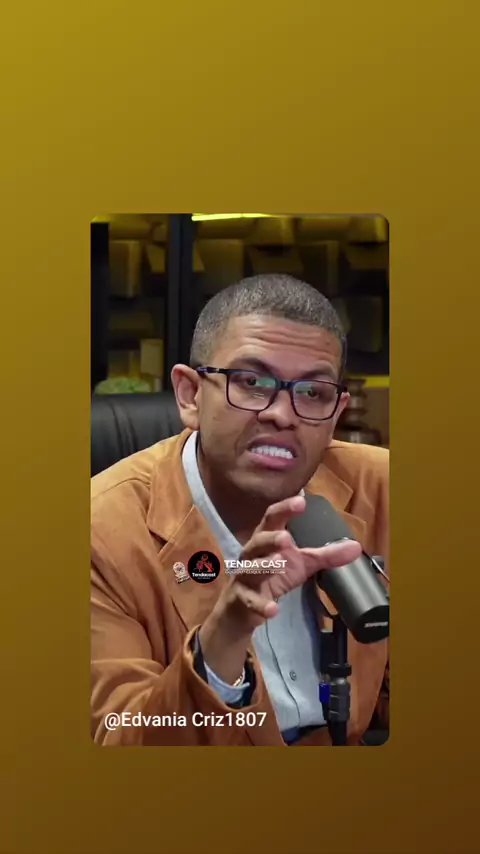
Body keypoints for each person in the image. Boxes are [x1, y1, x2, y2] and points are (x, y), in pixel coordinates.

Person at [91, 274, 389, 746]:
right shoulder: (98, 530)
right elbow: (117, 743)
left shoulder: (385, 487)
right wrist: (226, 633)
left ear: (336, 413)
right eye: (251, 383)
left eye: (313, 393)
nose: (282, 414)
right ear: (190, 395)